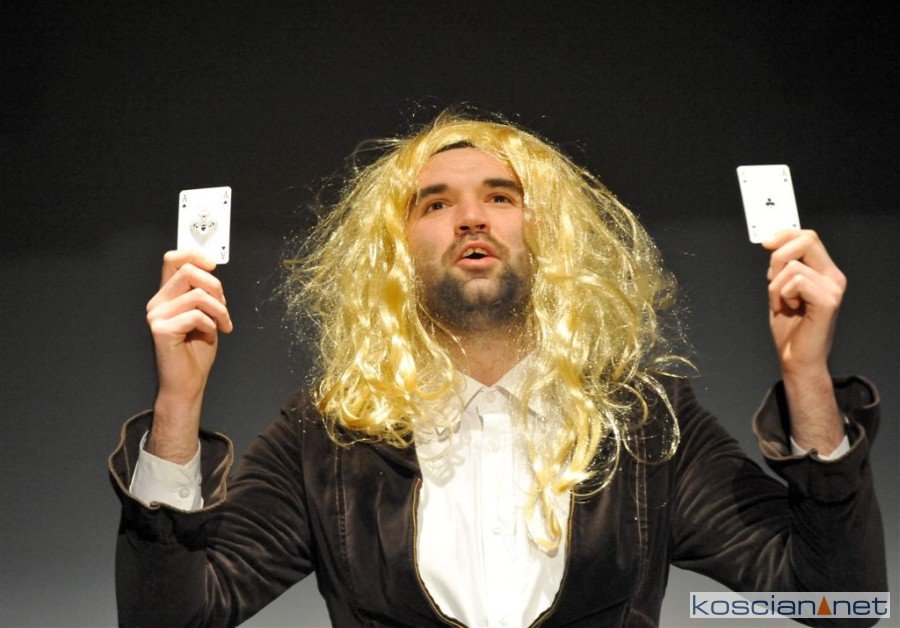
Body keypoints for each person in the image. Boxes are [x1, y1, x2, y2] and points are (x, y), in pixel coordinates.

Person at [109, 112, 886, 627]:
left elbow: (838, 600)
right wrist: (179, 401)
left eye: (501, 196)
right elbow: (172, 620)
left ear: (547, 232)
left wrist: (807, 377)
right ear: (395, 250)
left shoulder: (645, 424)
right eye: (435, 204)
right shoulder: (328, 439)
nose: (471, 217)